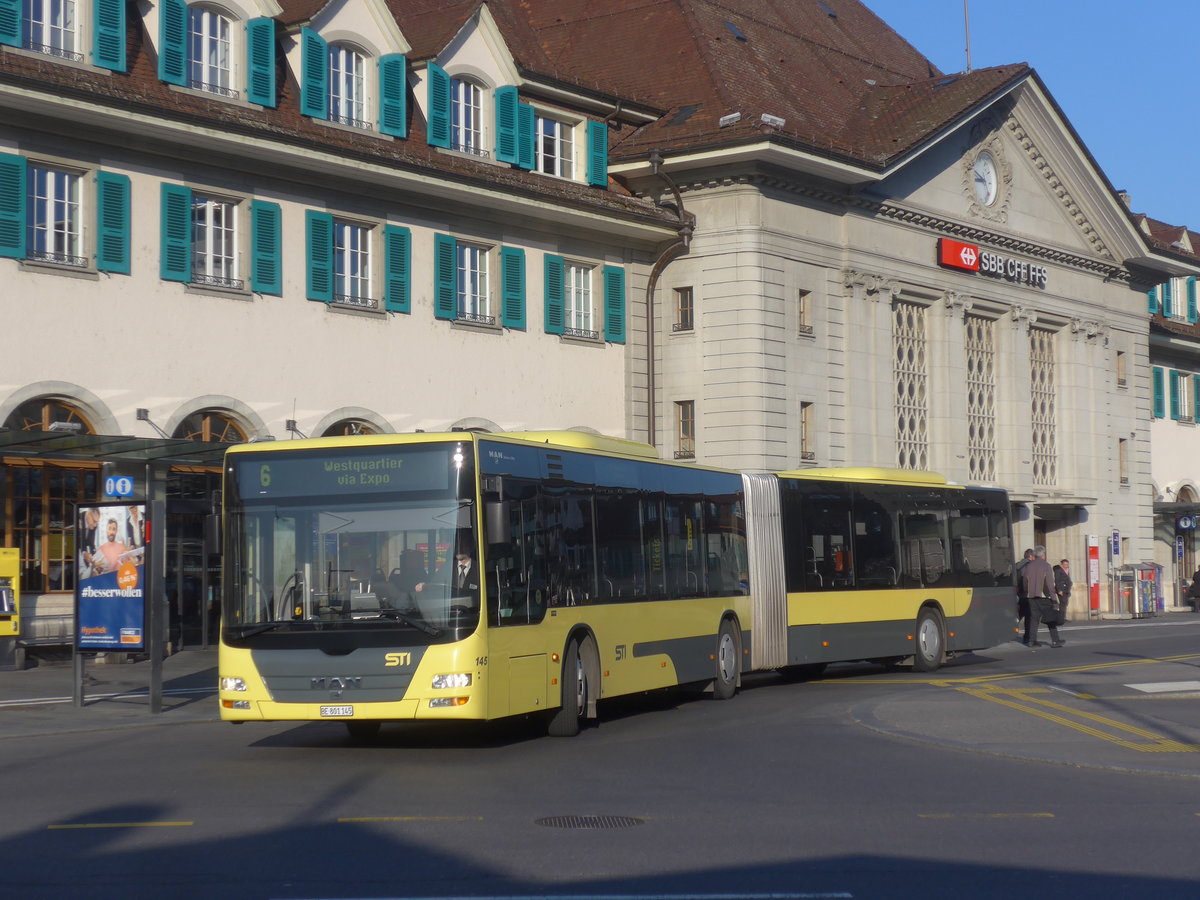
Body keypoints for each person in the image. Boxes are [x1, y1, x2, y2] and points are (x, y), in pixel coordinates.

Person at [1022, 545, 1064, 648]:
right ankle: (1055, 641)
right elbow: (1050, 584)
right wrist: (1054, 599)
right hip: (1044, 596)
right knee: (1050, 618)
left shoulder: (1029, 566)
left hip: (1031, 596)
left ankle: (1032, 641)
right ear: (1043, 555)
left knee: (1034, 619)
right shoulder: (1046, 566)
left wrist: (1027, 592)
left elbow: (1025, 581)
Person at [1015, 548, 1035, 638]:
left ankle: (1008, 631)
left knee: (1019, 614)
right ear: (1030, 556)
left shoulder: (1017, 565)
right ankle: (1027, 636)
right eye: (1034, 556)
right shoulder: (1030, 565)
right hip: (1026, 593)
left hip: (1018, 593)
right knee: (1028, 615)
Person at [1053, 558, 1073, 625]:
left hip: (1066, 589)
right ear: (1061, 564)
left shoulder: (1067, 570)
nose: (1067, 565)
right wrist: (1059, 590)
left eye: (1067, 564)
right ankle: (1061, 619)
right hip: (1061, 589)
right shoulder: (1058, 570)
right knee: (1063, 604)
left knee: (1065, 604)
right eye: (1065, 564)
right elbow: (1057, 580)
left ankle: (1063, 617)